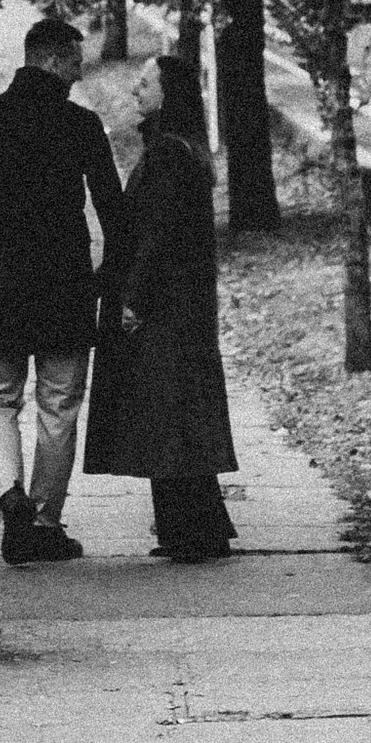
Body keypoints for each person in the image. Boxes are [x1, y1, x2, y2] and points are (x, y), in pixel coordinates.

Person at [0, 13, 127, 566]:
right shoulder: (81, 125)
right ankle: (44, 520)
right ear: (51, 59)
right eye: (74, 62)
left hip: (0, 279)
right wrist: (111, 277)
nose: (80, 73)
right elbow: (111, 208)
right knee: (58, 404)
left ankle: (8, 494)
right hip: (66, 282)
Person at [84, 52, 239, 562]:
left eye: (146, 83)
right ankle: (194, 528)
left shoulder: (168, 154)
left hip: (166, 306)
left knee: (167, 415)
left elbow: (156, 234)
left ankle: (190, 532)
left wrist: (134, 298)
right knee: (178, 414)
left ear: (169, 94)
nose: (135, 90)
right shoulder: (178, 148)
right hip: (181, 303)